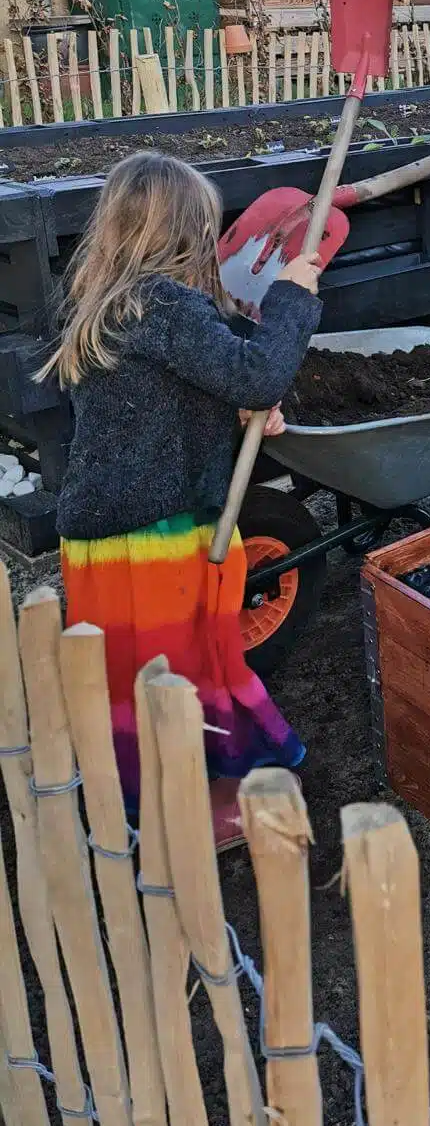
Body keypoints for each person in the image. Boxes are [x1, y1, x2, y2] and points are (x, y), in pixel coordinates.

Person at [40, 151, 323, 847]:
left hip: (98, 534)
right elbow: (258, 373)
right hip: (155, 530)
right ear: (187, 234)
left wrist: (235, 409)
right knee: (182, 668)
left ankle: (150, 799)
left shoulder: (106, 305)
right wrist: (291, 294)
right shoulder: (167, 307)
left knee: (136, 678)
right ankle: (192, 807)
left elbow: (161, 399)